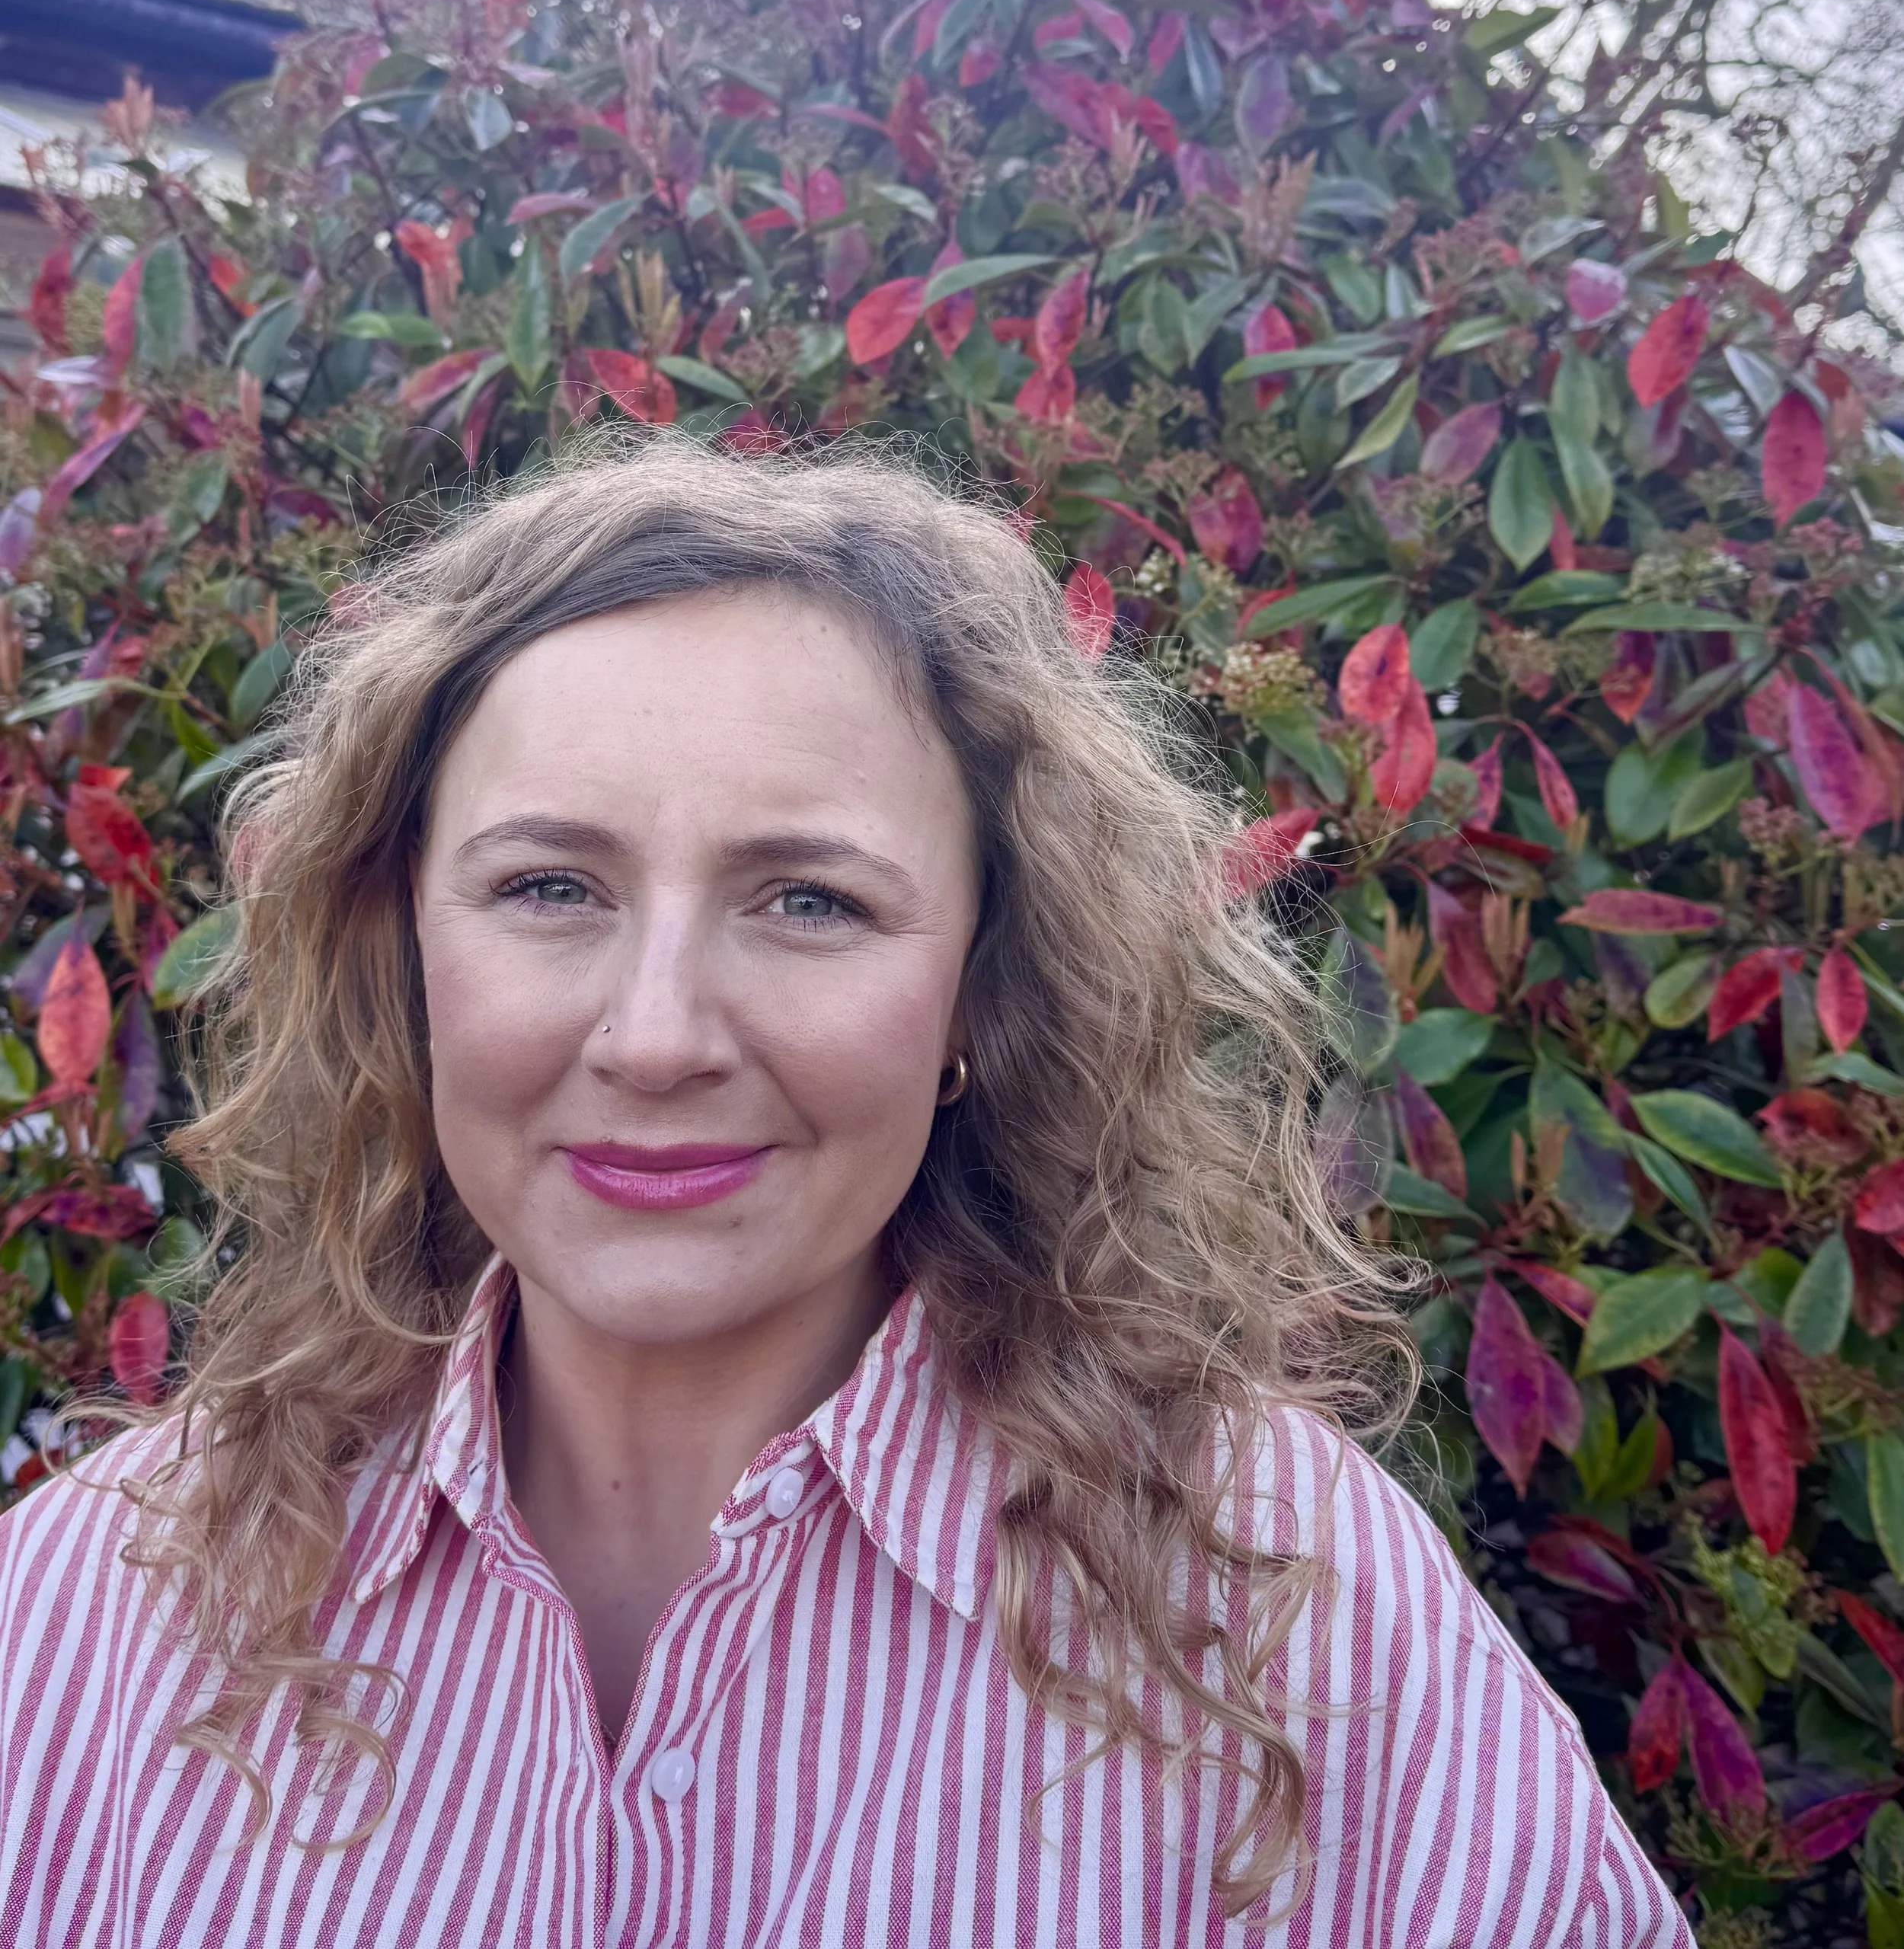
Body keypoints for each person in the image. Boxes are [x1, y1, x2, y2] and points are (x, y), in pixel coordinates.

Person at [0, 439, 1688, 1947]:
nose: (654, 1035)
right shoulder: (90, 1608)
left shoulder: (1290, 1617)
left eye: (807, 901)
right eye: (546, 884)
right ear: (405, 951)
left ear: (979, 988)